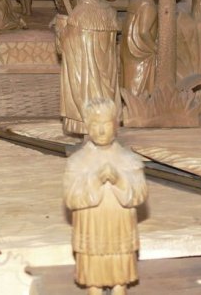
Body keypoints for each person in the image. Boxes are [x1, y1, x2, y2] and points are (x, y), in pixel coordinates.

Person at [64, 98, 147, 295]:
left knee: (120, 272)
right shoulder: (77, 162)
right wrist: (94, 181)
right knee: (94, 273)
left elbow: (140, 194)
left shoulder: (129, 160)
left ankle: (119, 287)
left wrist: (119, 180)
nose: (101, 131)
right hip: (92, 228)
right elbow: (71, 198)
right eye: (95, 124)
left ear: (116, 125)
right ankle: (94, 288)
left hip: (119, 228)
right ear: (87, 126)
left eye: (106, 124)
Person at [55, 0, 120, 135]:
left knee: (87, 91)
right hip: (105, 69)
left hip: (87, 70)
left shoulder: (81, 12)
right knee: (104, 91)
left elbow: (69, 43)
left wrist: (61, 28)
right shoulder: (109, 11)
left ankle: (88, 126)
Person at [120, 0, 157, 96]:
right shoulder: (149, 5)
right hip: (140, 52)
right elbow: (143, 32)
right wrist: (156, 48)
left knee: (128, 81)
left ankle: (129, 103)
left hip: (128, 47)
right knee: (138, 88)